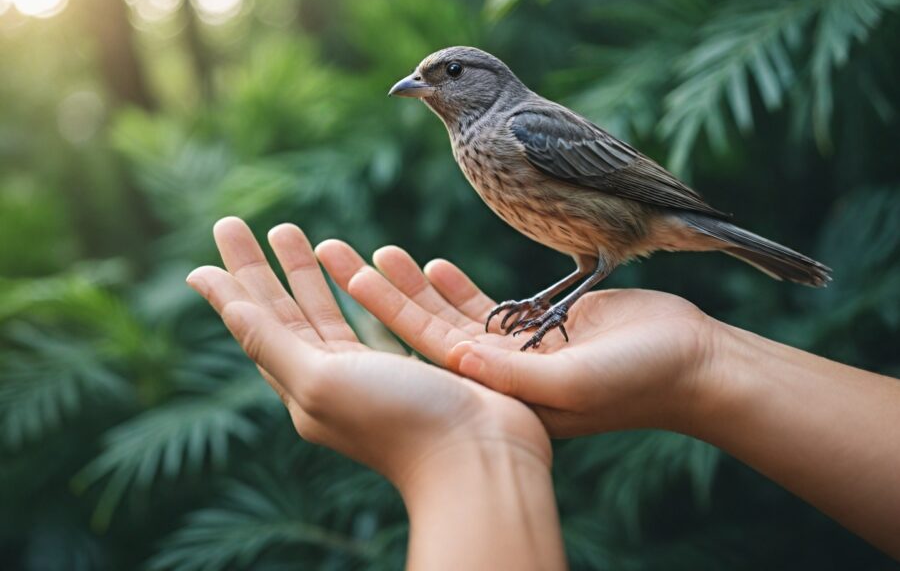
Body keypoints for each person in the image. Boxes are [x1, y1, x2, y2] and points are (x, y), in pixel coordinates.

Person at [186, 217, 900, 568]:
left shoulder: (520, 128)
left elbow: (611, 237)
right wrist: (702, 362)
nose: (424, 83)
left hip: (639, 215)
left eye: (450, 74)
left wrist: (455, 447)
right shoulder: (486, 141)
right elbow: (588, 253)